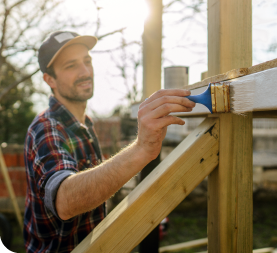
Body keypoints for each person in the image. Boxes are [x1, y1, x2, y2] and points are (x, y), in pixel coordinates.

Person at [23, 31, 195, 253]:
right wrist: (141, 149)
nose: (85, 72)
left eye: (87, 61)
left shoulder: (85, 124)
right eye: (71, 66)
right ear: (50, 80)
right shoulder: (46, 128)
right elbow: (64, 201)